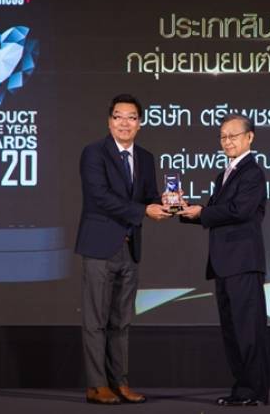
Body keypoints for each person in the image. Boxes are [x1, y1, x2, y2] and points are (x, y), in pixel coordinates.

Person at [75, 94, 171, 405]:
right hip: (99, 246)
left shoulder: (145, 157)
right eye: (118, 117)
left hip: (130, 249)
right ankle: (96, 385)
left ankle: (120, 383)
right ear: (109, 121)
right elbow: (100, 196)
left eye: (131, 117)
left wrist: (167, 202)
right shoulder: (94, 153)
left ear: (139, 123)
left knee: (121, 321)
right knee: (96, 320)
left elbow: (149, 196)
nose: (124, 123)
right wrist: (143, 211)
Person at [178, 113, 269, 406]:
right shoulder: (224, 174)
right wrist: (183, 209)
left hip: (243, 262)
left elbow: (239, 210)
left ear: (249, 137)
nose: (227, 141)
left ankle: (254, 392)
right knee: (232, 332)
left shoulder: (252, 172)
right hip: (224, 264)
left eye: (233, 136)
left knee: (247, 331)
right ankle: (242, 390)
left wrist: (202, 212)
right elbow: (215, 212)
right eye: (223, 137)